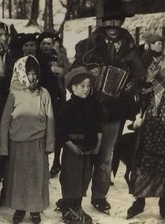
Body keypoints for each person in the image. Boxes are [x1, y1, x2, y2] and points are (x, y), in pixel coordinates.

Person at [71, 0, 145, 214]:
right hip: (90, 107)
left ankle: (99, 196)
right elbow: (76, 69)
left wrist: (131, 83)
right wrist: (89, 72)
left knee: (106, 156)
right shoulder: (90, 44)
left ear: (121, 22)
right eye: (109, 20)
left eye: (116, 20)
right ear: (104, 22)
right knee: (85, 153)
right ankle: (74, 196)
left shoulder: (129, 44)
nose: (112, 24)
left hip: (115, 110)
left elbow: (139, 73)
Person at [127, 30, 165, 221]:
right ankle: (140, 200)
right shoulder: (158, 64)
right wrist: (148, 78)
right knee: (147, 159)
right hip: (157, 120)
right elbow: (143, 92)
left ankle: (164, 199)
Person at [0, 55, 55, 224]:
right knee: (19, 179)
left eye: (35, 74)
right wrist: (4, 147)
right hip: (17, 144)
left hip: (37, 144)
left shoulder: (44, 93)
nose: (33, 77)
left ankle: (35, 208)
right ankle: (20, 207)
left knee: (36, 178)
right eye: (29, 74)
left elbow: (50, 119)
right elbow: (4, 122)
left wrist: (49, 144)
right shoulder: (14, 95)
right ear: (21, 74)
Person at [57, 66, 103, 224]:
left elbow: (98, 126)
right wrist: (70, 145)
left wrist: (98, 144)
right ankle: (68, 207)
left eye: (88, 86)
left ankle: (77, 206)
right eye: (82, 86)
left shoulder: (93, 105)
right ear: (73, 87)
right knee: (71, 177)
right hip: (73, 148)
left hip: (88, 148)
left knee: (84, 177)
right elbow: (61, 131)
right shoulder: (68, 107)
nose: (86, 89)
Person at [36, 32, 70, 178]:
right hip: (41, 96)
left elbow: (69, 73)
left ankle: (56, 161)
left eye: (48, 43)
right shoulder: (37, 57)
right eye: (43, 43)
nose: (45, 46)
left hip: (57, 96)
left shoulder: (60, 57)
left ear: (53, 44)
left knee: (58, 129)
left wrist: (60, 71)